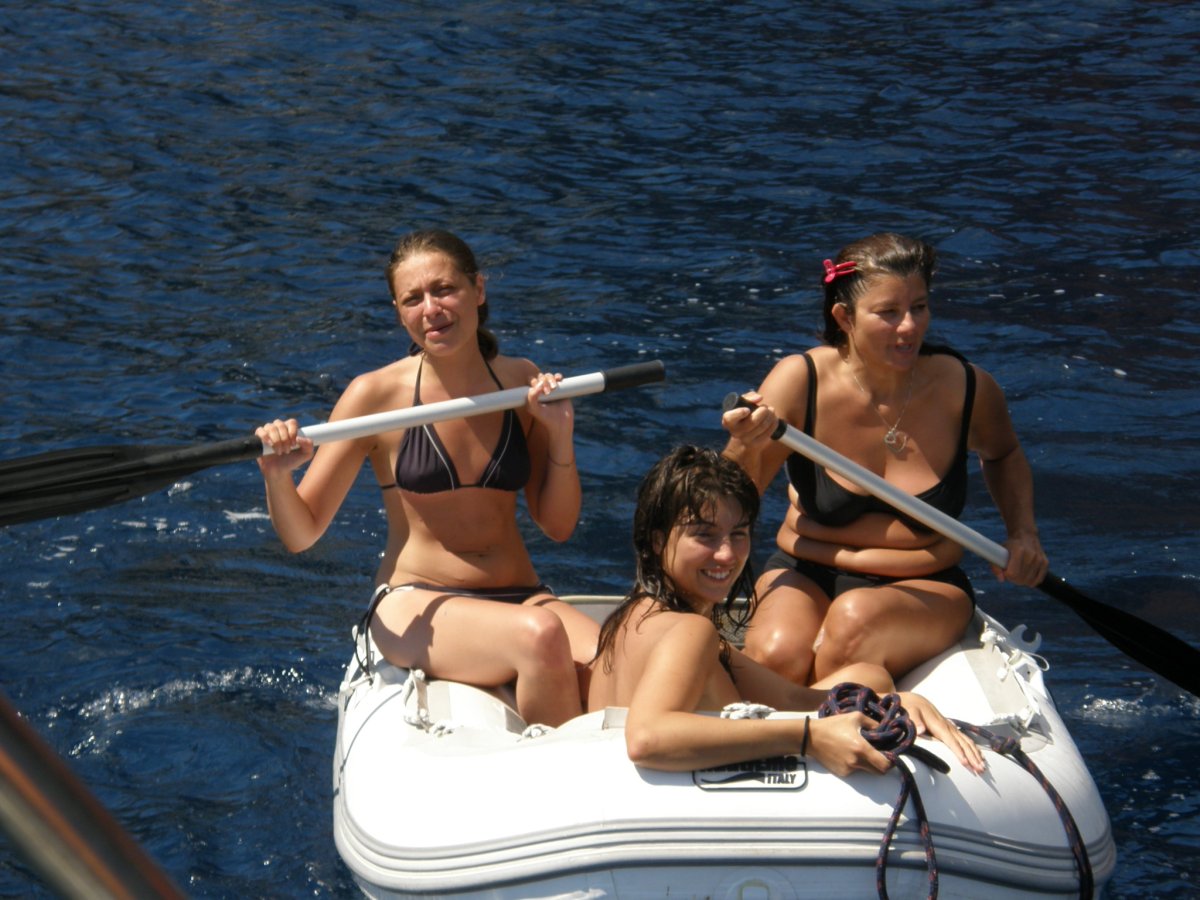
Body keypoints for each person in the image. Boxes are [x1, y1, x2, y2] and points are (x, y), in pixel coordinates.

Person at [255, 228, 598, 727]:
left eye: (444, 289)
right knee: (540, 636)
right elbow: (301, 533)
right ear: (399, 312)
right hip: (416, 603)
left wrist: (560, 435)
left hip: (522, 594)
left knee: (619, 660)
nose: (431, 309)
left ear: (478, 290)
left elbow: (559, 525)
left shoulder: (521, 380)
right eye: (412, 299)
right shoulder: (375, 396)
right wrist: (277, 475)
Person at [722, 232, 1048, 687]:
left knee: (853, 624)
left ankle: (813, 723)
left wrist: (1023, 533)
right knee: (775, 657)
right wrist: (745, 446)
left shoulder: (966, 387)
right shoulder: (799, 380)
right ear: (845, 317)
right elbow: (732, 497)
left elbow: (1004, 453)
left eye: (919, 307)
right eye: (888, 313)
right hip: (806, 572)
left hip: (927, 584)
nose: (910, 327)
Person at [586, 445, 984, 776]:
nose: (726, 554)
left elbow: (792, 698)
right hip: (686, 813)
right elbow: (646, 738)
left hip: (620, 795)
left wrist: (888, 704)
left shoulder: (630, 619)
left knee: (870, 674)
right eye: (703, 535)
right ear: (658, 541)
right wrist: (809, 738)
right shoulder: (691, 632)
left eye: (738, 534)